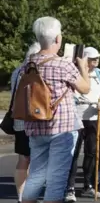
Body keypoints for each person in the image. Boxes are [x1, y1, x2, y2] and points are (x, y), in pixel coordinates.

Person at [22, 16, 91, 203]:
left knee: (35, 175)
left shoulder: (27, 65)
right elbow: (85, 88)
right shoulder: (63, 64)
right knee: (56, 180)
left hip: (35, 126)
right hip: (61, 128)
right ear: (58, 39)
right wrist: (83, 67)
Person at [65, 47, 100, 201]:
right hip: (76, 117)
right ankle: (69, 188)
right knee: (73, 153)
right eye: (93, 59)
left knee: (92, 152)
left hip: (94, 116)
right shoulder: (75, 72)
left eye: (97, 58)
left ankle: (88, 185)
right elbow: (70, 93)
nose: (96, 61)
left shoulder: (99, 73)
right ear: (86, 60)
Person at [10, 42, 41, 203]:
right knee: (36, 160)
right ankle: (29, 196)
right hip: (36, 121)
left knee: (23, 159)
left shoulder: (17, 71)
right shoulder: (36, 72)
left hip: (19, 120)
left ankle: (21, 196)